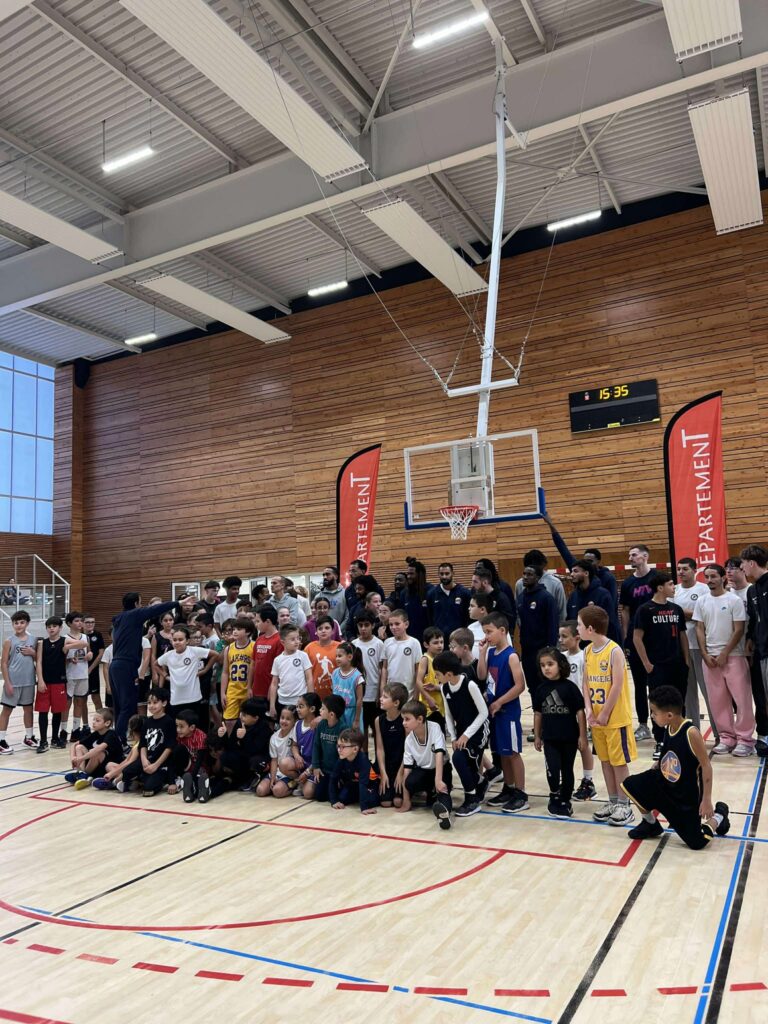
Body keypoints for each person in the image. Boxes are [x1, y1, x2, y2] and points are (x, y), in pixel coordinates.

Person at [622, 686, 730, 847]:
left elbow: (706, 766)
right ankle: (650, 824)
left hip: (685, 796)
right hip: (666, 784)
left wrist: (706, 800)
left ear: (669, 715)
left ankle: (720, 815)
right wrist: (658, 765)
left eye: (654, 712)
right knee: (631, 785)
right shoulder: (669, 727)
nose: (652, 716)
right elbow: (670, 753)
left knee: (697, 842)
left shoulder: (691, 733)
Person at [110, 592, 196, 742]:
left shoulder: (120, 619)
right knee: (128, 707)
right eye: (140, 603)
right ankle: (118, 742)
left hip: (115, 665)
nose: (142, 606)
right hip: (126, 665)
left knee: (119, 706)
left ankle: (116, 740)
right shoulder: (134, 614)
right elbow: (155, 609)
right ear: (136, 604)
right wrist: (178, 603)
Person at [579, 605, 637, 826]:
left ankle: (625, 804)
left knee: (618, 763)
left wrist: (604, 713)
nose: (577, 628)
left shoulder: (614, 651)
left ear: (590, 629)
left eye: (579, 625)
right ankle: (613, 801)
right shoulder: (587, 651)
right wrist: (589, 709)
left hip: (615, 718)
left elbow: (617, 685)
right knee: (605, 761)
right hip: (596, 719)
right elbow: (585, 683)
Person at [693, 564, 754, 756]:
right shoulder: (702, 601)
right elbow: (699, 628)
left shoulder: (734, 600)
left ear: (722, 578)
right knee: (717, 701)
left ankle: (745, 739)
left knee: (742, 700)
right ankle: (726, 737)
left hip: (734, 656)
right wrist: (704, 653)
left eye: (713, 576)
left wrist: (725, 653)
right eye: (707, 577)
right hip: (710, 659)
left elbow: (739, 629)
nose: (710, 580)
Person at [633, 572, 689, 759]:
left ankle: (679, 738)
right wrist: (646, 663)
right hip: (657, 666)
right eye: (671, 584)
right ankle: (660, 740)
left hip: (677, 665)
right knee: (658, 704)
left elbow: (682, 635)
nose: (674, 587)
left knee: (679, 702)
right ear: (660, 588)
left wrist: (686, 660)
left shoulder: (676, 609)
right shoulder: (645, 610)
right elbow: (637, 638)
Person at [478, 612, 528, 813]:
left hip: (508, 712)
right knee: (502, 753)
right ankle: (508, 787)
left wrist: (499, 701)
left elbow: (520, 686)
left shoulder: (511, 656)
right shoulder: (491, 653)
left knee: (513, 753)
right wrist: (482, 653)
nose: (486, 636)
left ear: (502, 630)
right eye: (484, 632)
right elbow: (482, 675)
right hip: (494, 712)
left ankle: (521, 793)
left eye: (489, 632)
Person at [533, 647, 588, 818]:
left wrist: (582, 736)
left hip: (569, 737)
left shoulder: (570, 688)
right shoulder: (541, 689)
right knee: (553, 767)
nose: (546, 668)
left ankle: (565, 799)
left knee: (567, 768)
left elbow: (580, 712)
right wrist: (537, 735)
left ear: (560, 665)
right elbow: (538, 714)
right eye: (543, 665)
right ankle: (554, 795)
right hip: (550, 738)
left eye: (550, 664)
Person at [434, 651, 489, 817]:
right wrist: (454, 736)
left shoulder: (470, 685)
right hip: (462, 731)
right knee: (461, 759)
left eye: (437, 674)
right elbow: (448, 715)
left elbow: (484, 713)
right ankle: (480, 782)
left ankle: (472, 799)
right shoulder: (444, 688)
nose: (436, 677)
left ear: (448, 674)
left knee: (459, 758)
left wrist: (466, 735)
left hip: (479, 730)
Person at [618, 544, 656, 741]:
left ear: (645, 556)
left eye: (633, 555)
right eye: (629, 555)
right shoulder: (628, 583)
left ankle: (660, 723)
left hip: (656, 637)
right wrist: (626, 635)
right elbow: (625, 611)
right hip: (635, 638)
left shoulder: (657, 577)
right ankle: (643, 725)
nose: (630, 558)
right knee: (639, 684)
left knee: (656, 682)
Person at [398, 699, 454, 830]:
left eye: (407, 719)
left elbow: (439, 754)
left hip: (441, 769)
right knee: (409, 782)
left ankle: (444, 813)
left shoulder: (434, 728)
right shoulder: (409, 740)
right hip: (425, 771)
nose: (403, 723)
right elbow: (407, 768)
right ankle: (431, 791)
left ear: (419, 719)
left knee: (443, 791)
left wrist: (438, 780)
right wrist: (406, 801)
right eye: (403, 719)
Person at [674, 557, 714, 735]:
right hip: (682, 647)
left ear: (694, 570)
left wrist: (682, 613)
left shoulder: (704, 589)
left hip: (701, 646)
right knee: (688, 694)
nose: (681, 572)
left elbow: (705, 615)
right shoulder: (674, 590)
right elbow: (673, 615)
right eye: (679, 569)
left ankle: (719, 733)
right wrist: (689, 614)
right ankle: (693, 732)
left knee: (708, 691)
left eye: (685, 569)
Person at [542, 513, 618, 607]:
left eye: (590, 561)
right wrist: (551, 525)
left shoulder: (608, 578)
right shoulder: (578, 570)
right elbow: (563, 549)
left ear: (598, 561)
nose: (587, 563)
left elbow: (612, 604)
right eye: (585, 561)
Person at [117, 687, 176, 796]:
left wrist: (156, 765)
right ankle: (139, 779)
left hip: (161, 762)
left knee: (148, 790)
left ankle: (162, 779)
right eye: (149, 703)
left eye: (155, 702)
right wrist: (144, 760)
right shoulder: (148, 722)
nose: (151, 705)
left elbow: (169, 747)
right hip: (148, 759)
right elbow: (143, 744)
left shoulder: (169, 722)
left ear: (164, 703)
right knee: (126, 772)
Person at [155, 624, 215, 724]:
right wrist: (165, 675)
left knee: (193, 725)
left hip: (193, 698)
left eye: (180, 639)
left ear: (187, 641)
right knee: (178, 726)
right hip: (176, 699)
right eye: (175, 640)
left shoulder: (194, 651)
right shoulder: (169, 655)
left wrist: (205, 670)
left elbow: (215, 655)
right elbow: (155, 664)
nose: (177, 642)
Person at [517, 565, 559, 691]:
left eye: (529, 574)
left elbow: (553, 625)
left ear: (538, 577)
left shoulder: (546, 598)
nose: (525, 577)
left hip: (542, 650)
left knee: (546, 685)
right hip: (527, 651)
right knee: (532, 686)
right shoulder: (521, 597)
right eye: (524, 574)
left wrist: (550, 649)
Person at [34, 615, 70, 753]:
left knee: (57, 711)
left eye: (54, 626)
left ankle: (55, 738)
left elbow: (83, 644)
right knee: (43, 711)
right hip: (45, 682)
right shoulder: (42, 643)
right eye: (49, 627)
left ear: (60, 628)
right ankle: (43, 741)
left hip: (59, 682)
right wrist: (40, 680)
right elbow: (39, 662)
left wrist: (69, 644)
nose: (51, 629)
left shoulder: (65, 641)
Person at [64, 708, 123, 789]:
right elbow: (74, 745)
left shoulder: (111, 734)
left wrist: (81, 758)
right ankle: (81, 773)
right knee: (79, 747)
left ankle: (85, 775)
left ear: (107, 723)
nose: (94, 722)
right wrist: (73, 758)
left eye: (97, 721)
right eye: (94, 720)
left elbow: (99, 749)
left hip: (109, 767)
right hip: (96, 766)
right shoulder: (95, 734)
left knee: (97, 752)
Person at [566, 560, 620, 643]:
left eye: (575, 571)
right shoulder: (573, 596)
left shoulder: (603, 594)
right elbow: (570, 620)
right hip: (579, 645)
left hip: (598, 644)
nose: (572, 574)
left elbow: (610, 623)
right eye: (571, 571)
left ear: (586, 573)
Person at [329, 727, 379, 814]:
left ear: (355, 749)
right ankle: (358, 797)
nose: (339, 750)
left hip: (369, 786)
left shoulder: (363, 760)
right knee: (342, 798)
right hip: (353, 785)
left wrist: (364, 807)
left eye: (343, 747)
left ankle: (362, 798)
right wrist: (334, 801)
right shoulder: (342, 758)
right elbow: (333, 778)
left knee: (372, 801)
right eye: (338, 746)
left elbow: (363, 784)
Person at [306, 694, 346, 801]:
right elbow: (316, 746)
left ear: (331, 714)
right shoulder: (321, 725)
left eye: (323, 708)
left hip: (337, 771)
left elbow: (343, 755)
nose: (320, 710)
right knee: (320, 796)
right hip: (324, 770)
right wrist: (316, 766)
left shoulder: (342, 728)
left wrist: (339, 773)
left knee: (339, 797)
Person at [374, 682, 408, 808]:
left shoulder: (405, 720)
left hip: (401, 765)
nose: (381, 699)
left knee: (398, 802)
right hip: (386, 766)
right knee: (386, 803)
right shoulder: (379, 720)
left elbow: (408, 750)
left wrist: (401, 773)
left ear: (396, 703)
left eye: (385, 697)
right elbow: (379, 749)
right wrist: (383, 773)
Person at [352, 611, 384, 742]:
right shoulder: (354, 644)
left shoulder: (379, 644)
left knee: (377, 729)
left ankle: (378, 754)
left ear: (373, 625)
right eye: (360, 625)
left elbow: (382, 670)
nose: (363, 628)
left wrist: (380, 693)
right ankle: (364, 753)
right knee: (362, 728)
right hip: (359, 694)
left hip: (374, 693)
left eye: (366, 625)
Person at [269, 624, 313, 719]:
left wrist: (310, 700)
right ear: (283, 642)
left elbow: (309, 678)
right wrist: (272, 705)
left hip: (300, 701)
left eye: (298, 638)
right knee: (284, 725)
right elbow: (274, 683)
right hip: (282, 701)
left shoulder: (303, 656)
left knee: (299, 725)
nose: (297, 641)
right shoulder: (278, 660)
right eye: (292, 639)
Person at [221, 617, 256, 731]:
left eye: (239, 629)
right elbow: (225, 672)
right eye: (234, 629)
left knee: (247, 721)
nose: (235, 631)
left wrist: (251, 687)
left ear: (248, 632)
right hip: (233, 689)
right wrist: (222, 692)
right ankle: (231, 741)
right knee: (229, 721)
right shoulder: (228, 649)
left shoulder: (254, 646)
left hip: (247, 689)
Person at [513, 549, 566, 622]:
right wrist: (521, 624)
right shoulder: (520, 584)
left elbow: (562, 611)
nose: (533, 570)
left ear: (543, 565)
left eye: (535, 567)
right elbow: (517, 609)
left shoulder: (555, 583)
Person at [256, 706, 298, 797]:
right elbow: (274, 760)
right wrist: (273, 778)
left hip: (289, 772)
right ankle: (278, 784)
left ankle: (295, 783)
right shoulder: (274, 737)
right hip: (277, 771)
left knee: (277, 791)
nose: (284, 721)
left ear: (295, 721)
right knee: (260, 790)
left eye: (288, 719)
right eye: (282, 718)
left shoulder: (295, 733)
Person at [63, 611, 91, 743]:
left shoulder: (85, 637)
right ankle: (63, 730)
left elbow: (89, 651)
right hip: (69, 675)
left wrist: (90, 655)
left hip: (83, 674)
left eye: (81, 621)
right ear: (69, 623)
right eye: (77, 621)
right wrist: (69, 659)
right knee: (66, 704)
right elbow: (59, 657)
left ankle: (75, 730)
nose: (80, 623)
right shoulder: (64, 638)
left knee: (80, 703)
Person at [379, 610, 421, 698]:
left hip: (409, 693)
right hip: (390, 692)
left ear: (406, 624)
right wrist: (382, 690)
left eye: (397, 624)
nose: (393, 627)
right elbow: (384, 668)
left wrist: (416, 694)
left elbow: (418, 670)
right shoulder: (387, 642)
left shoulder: (414, 643)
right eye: (391, 624)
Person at [426, 563, 471, 636]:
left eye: (447, 574)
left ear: (453, 573)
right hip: (439, 637)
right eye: (441, 574)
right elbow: (429, 618)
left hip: (459, 637)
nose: (444, 576)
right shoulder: (431, 594)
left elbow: (469, 616)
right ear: (438, 574)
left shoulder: (464, 593)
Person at [416, 627, 446, 726]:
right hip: (428, 707)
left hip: (441, 706)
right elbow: (418, 681)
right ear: (426, 644)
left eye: (441, 642)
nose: (440, 645)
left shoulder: (442, 660)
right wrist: (428, 698)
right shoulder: (425, 659)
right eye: (436, 643)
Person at [304, 616, 340, 700]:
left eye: (327, 628)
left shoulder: (340, 647)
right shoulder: (309, 648)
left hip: (336, 694)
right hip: (314, 694)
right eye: (320, 629)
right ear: (316, 632)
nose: (323, 631)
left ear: (333, 630)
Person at [252, 605, 283, 702]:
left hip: (270, 690)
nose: (256, 624)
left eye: (258, 621)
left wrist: (272, 689)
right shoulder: (259, 640)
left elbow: (280, 669)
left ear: (268, 621)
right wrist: (249, 686)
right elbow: (253, 664)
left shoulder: (279, 640)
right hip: (256, 689)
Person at [332, 642, 364, 729]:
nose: (337, 658)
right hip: (338, 713)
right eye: (336, 656)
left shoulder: (357, 676)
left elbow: (359, 700)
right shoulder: (335, 673)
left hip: (352, 713)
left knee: (352, 736)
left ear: (349, 657)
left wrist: (356, 720)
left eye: (340, 656)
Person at [399, 557, 431, 642]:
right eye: (408, 574)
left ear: (420, 574)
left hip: (427, 638)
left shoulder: (431, 591)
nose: (408, 576)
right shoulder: (404, 593)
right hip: (409, 638)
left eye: (411, 574)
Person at [83, 615, 105, 711]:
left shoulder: (98, 635)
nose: (90, 624)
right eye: (87, 622)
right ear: (83, 623)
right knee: (82, 699)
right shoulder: (79, 636)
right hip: (80, 671)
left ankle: (101, 718)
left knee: (96, 697)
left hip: (93, 670)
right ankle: (85, 720)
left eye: (92, 622)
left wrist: (90, 669)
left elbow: (101, 653)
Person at [467, 593, 493, 658]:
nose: (469, 608)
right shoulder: (470, 628)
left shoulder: (499, 627)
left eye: (472, 606)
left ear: (482, 609)